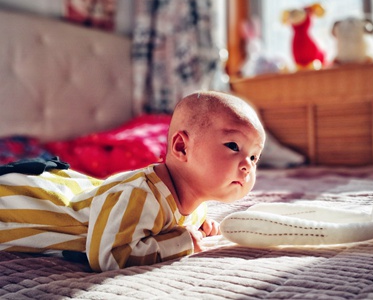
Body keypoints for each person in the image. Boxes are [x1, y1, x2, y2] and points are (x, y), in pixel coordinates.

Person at [0, 91, 266, 272]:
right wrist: (184, 242)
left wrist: (199, 226)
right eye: (233, 145)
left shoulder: (196, 202)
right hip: (21, 204)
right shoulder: (139, 195)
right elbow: (109, 255)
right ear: (182, 147)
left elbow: (169, 225)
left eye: (254, 157)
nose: (247, 165)